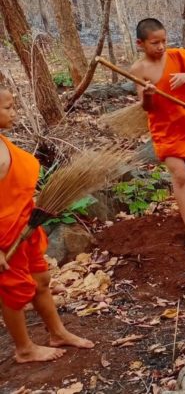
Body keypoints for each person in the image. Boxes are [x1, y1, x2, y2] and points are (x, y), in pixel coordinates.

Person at [0, 89, 94, 363]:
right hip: (4, 235)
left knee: (41, 280)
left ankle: (57, 332)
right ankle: (24, 348)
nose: (14, 112)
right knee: (13, 290)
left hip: (24, 223)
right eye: (8, 108)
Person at [130, 18, 185, 255]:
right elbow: (146, 107)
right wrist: (150, 94)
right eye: (155, 43)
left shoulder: (179, 56)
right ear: (140, 43)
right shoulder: (138, 70)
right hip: (165, 130)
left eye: (163, 41)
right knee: (180, 175)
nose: (161, 47)